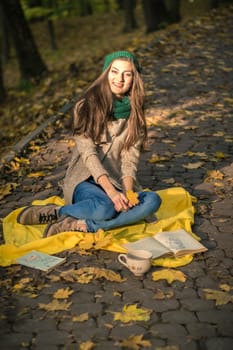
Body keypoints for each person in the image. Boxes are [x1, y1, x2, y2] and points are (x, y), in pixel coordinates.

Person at [17, 51, 161, 236]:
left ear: (135, 78)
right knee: (105, 209)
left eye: (127, 74)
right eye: (114, 72)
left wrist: (127, 192)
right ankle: (56, 212)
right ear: (105, 73)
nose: (119, 79)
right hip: (85, 180)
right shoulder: (85, 106)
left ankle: (83, 225)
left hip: (117, 181)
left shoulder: (135, 115)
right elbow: (88, 155)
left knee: (152, 201)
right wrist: (111, 193)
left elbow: (129, 160)